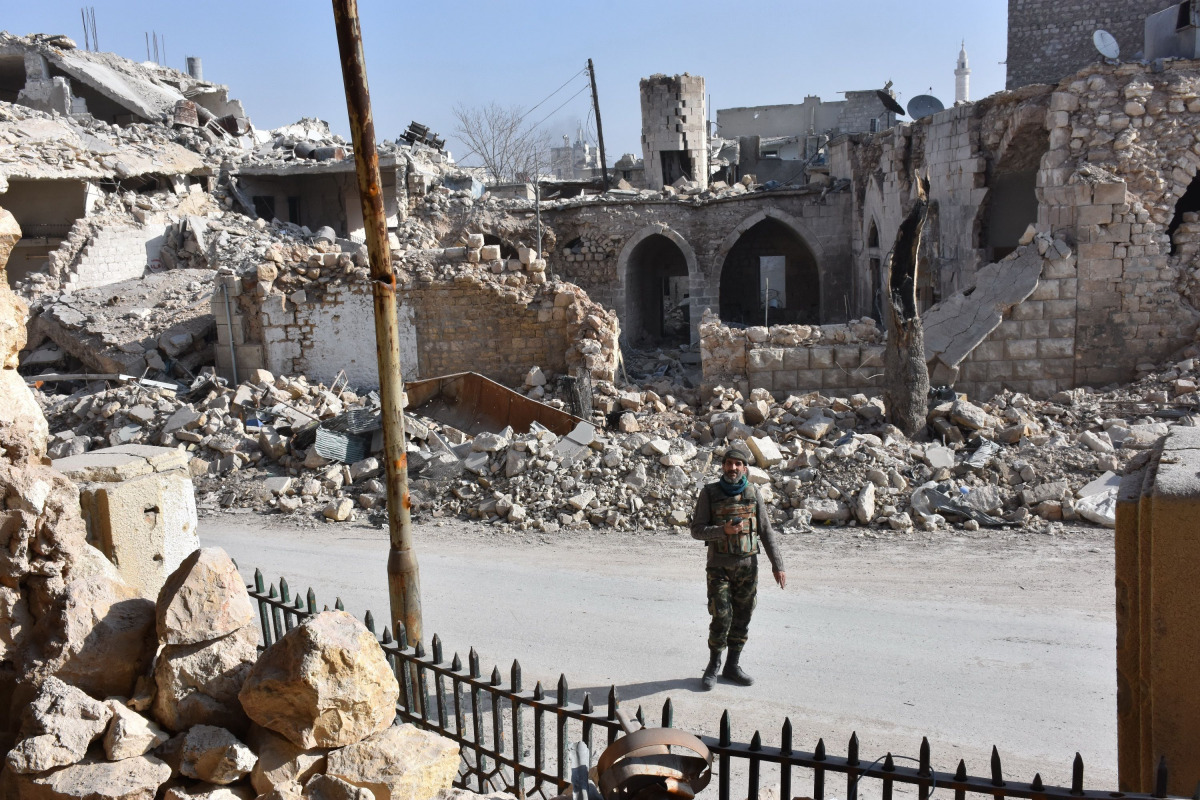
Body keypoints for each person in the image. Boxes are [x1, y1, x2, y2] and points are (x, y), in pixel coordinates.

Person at [690, 441, 786, 690]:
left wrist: (778, 565)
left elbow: (765, 531)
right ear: (723, 466)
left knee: (743, 617)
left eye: (738, 464)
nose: (733, 467)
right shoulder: (709, 493)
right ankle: (713, 666)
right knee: (721, 616)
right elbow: (697, 531)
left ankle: (733, 665)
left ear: (745, 468)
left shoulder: (753, 493)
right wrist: (723, 530)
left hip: (747, 567)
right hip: (719, 567)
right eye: (729, 463)